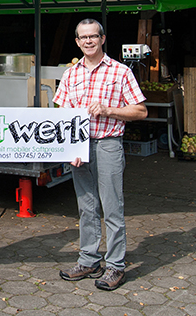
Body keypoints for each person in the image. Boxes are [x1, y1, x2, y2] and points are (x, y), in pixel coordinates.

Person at [52, 18, 147, 291]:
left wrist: (108, 110)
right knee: (86, 206)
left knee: (112, 207)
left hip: (108, 144)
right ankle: (89, 260)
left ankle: (115, 266)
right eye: (83, 37)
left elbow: (140, 111)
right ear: (77, 42)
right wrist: (70, 146)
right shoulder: (71, 74)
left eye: (93, 36)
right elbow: (63, 113)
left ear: (103, 39)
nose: (89, 41)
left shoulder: (120, 72)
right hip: (80, 147)